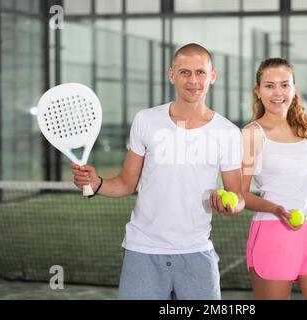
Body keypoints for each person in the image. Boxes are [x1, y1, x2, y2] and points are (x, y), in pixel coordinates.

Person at [71, 43, 245, 300]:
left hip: (196, 252)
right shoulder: (146, 120)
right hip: (142, 250)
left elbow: (238, 195)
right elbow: (126, 183)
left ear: (212, 76)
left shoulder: (228, 132)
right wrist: (96, 183)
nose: (193, 80)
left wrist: (230, 205)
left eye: (200, 72)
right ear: (172, 75)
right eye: (185, 72)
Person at [241, 57, 307, 300]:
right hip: (273, 233)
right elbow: (242, 195)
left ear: (294, 89)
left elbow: (297, 180)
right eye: (269, 85)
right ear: (258, 91)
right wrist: (278, 210)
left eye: (284, 84)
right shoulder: (251, 134)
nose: (277, 93)